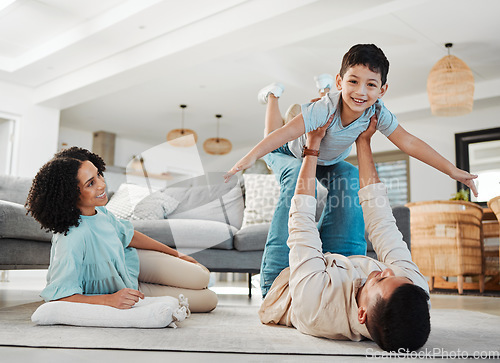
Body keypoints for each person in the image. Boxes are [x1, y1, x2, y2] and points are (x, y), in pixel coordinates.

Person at [225, 44, 478, 296]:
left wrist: (451, 170)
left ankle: (340, 275)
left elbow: (408, 141)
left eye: (370, 84)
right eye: (353, 82)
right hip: (288, 150)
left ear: (382, 90)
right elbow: (283, 134)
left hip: (329, 159)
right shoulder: (324, 109)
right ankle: (273, 96)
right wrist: (248, 158)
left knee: (350, 177)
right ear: (341, 81)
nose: (361, 91)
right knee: (293, 176)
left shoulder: (376, 112)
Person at [258, 116, 431, 352]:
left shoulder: (316, 308)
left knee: (295, 174)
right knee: (349, 176)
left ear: (362, 314)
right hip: (346, 268)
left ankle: (271, 148)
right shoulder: (412, 290)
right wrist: (363, 141)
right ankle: (310, 146)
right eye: (395, 275)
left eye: (381, 278)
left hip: (287, 282)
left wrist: (312, 147)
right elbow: (383, 224)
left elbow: (301, 222)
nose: (386, 270)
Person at [25, 147, 217, 313]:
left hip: (131, 262)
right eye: (90, 183)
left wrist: (176, 254)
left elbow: (130, 235)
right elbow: (57, 296)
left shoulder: (101, 212)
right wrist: (110, 300)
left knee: (201, 275)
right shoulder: (71, 238)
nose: (102, 185)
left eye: (98, 175)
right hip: (127, 289)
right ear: (69, 194)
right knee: (209, 301)